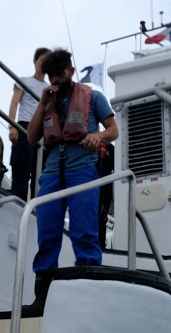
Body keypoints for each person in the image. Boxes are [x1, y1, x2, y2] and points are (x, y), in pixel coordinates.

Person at [24, 48, 118, 311]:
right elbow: (31, 138)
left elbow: (113, 130)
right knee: (47, 232)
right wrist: (42, 104)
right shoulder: (48, 101)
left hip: (83, 170)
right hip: (53, 173)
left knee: (84, 232)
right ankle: (41, 298)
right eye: (51, 76)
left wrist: (97, 137)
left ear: (71, 70)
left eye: (60, 74)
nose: (56, 80)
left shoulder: (93, 97)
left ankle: (88, 295)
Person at [7, 47, 51, 200]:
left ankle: (35, 210)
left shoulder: (49, 88)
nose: (44, 63)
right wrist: (12, 126)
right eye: (42, 60)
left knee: (40, 175)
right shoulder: (24, 81)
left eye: (47, 61)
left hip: (43, 132)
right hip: (24, 126)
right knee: (21, 170)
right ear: (35, 61)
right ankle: (18, 203)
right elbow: (14, 103)